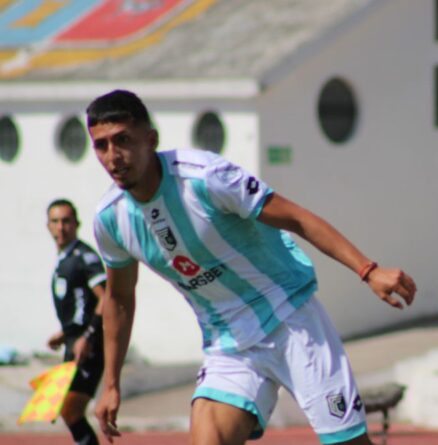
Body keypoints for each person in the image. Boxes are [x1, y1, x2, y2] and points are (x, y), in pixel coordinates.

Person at [85, 89, 417, 445]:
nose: (113, 156)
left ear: (150, 140)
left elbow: (297, 219)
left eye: (122, 140)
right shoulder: (110, 220)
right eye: (101, 145)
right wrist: (112, 385)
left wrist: (368, 271)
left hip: (290, 318)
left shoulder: (205, 178)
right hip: (228, 343)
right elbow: (119, 298)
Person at [46, 199, 107, 445]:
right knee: (64, 410)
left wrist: (87, 336)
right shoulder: (64, 259)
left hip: (89, 346)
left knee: (70, 410)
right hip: (73, 342)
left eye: (66, 221)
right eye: (55, 221)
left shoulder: (85, 257)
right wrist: (65, 332)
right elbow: (80, 306)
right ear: (48, 226)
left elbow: (106, 298)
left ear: (77, 224)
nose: (61, 227)